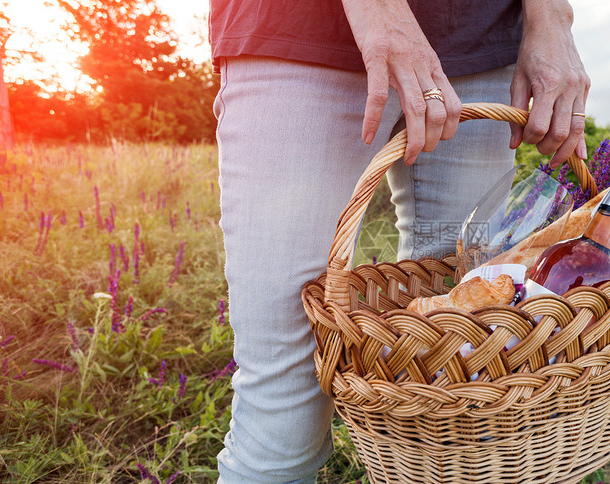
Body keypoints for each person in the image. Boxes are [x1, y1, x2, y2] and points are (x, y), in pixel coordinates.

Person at [208, 1, 590, 482]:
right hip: (299, 32)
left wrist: (552, 17)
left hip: (482, 46)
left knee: (460, 400)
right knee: (283, 411)